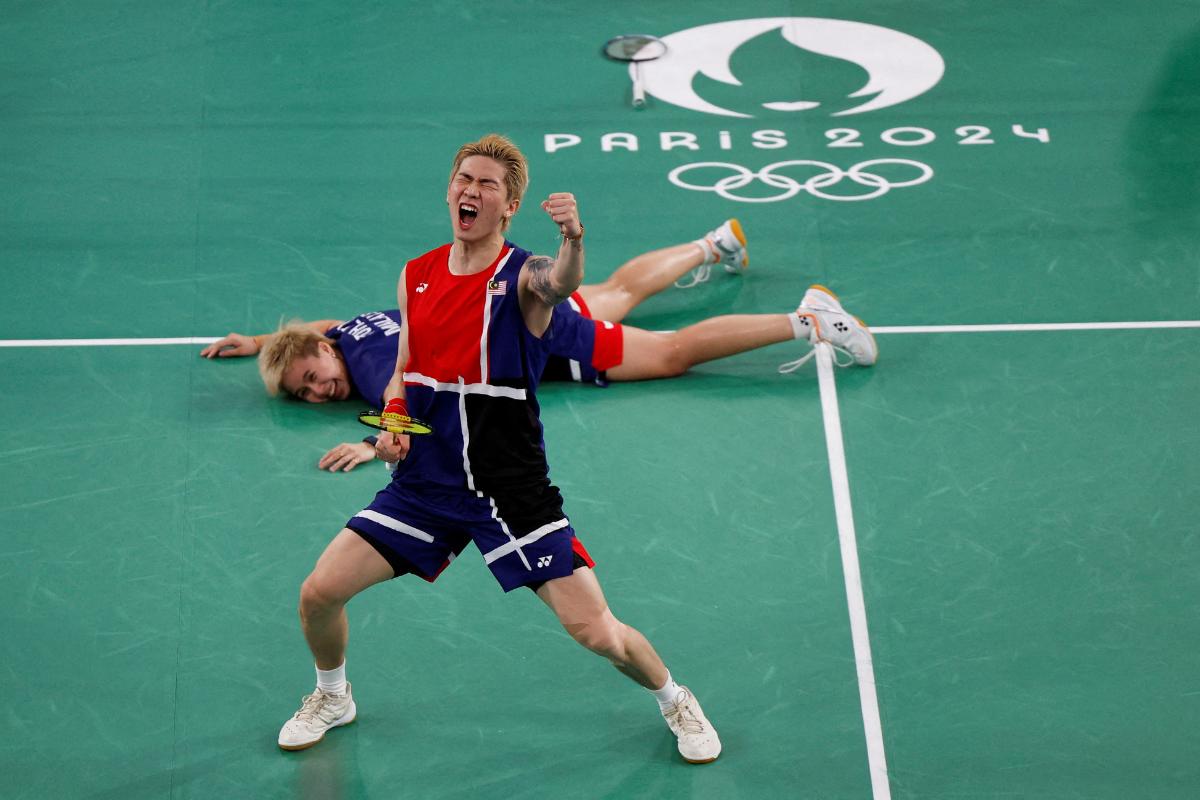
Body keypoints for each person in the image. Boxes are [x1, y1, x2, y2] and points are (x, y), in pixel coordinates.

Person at [273, 134, 726, 763]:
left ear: (508, 205)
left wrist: (572, 241)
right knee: (319, 592)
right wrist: (396, 423)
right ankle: (332, 695)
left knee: (597, 633)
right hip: (427, 486)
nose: (471, 190)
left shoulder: (524, 278)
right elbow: (404, 367)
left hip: (509, 490)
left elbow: (562, 282)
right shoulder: (417, 276)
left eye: (487, 184)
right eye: (464, 179)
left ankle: (675, 698)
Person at [202, 233, 878, 473]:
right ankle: (713, 244)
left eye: (312, 378)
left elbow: (402, 410)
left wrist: (375, 441)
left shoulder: (375, 366)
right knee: (611, 288)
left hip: (547, 343)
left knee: (670, 354)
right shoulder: (350, 334)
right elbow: (323, 321)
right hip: (527, 310)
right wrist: (263, 343)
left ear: (326, 350)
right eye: (304, 393)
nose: (317, 392)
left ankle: (807, 320)